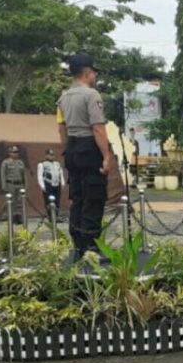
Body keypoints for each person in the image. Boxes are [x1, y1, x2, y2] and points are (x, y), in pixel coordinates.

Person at [56, 53, 112, 255]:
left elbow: (61, 128)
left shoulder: (63, 97)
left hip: (72, 147)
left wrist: (67, 148)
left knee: (77, 197)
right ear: (88, 72)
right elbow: (98, 128)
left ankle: (78, 243)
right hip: (89, 148)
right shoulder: (91, 95)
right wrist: (106, 156)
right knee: (94, 197)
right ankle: (91, 245)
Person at [0, 146, 27, 224]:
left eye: (17, 152)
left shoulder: (20, 162)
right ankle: (11, 217)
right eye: (13, 152)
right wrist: (4, 186)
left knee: (19, 202)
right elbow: (3, 174)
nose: (15, 154)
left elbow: (24, 174)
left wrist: (25, 185)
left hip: (20, 184)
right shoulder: (6, 162)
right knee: (11, 201)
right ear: (9, 153)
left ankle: (18, 216)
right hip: (10, 184)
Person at [37, 149, 66, 221]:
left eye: (53, 155)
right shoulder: (42, 164)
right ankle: (50, 216)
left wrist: (62, 183)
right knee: (49, 201)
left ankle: (56, 215)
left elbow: (61, 174)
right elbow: (40, 176)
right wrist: (42, 186)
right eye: (50, 155)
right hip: (48, 184)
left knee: (57, 200)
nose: (52, 156)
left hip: (57, 184)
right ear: (46, 155)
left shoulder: (57, 164)